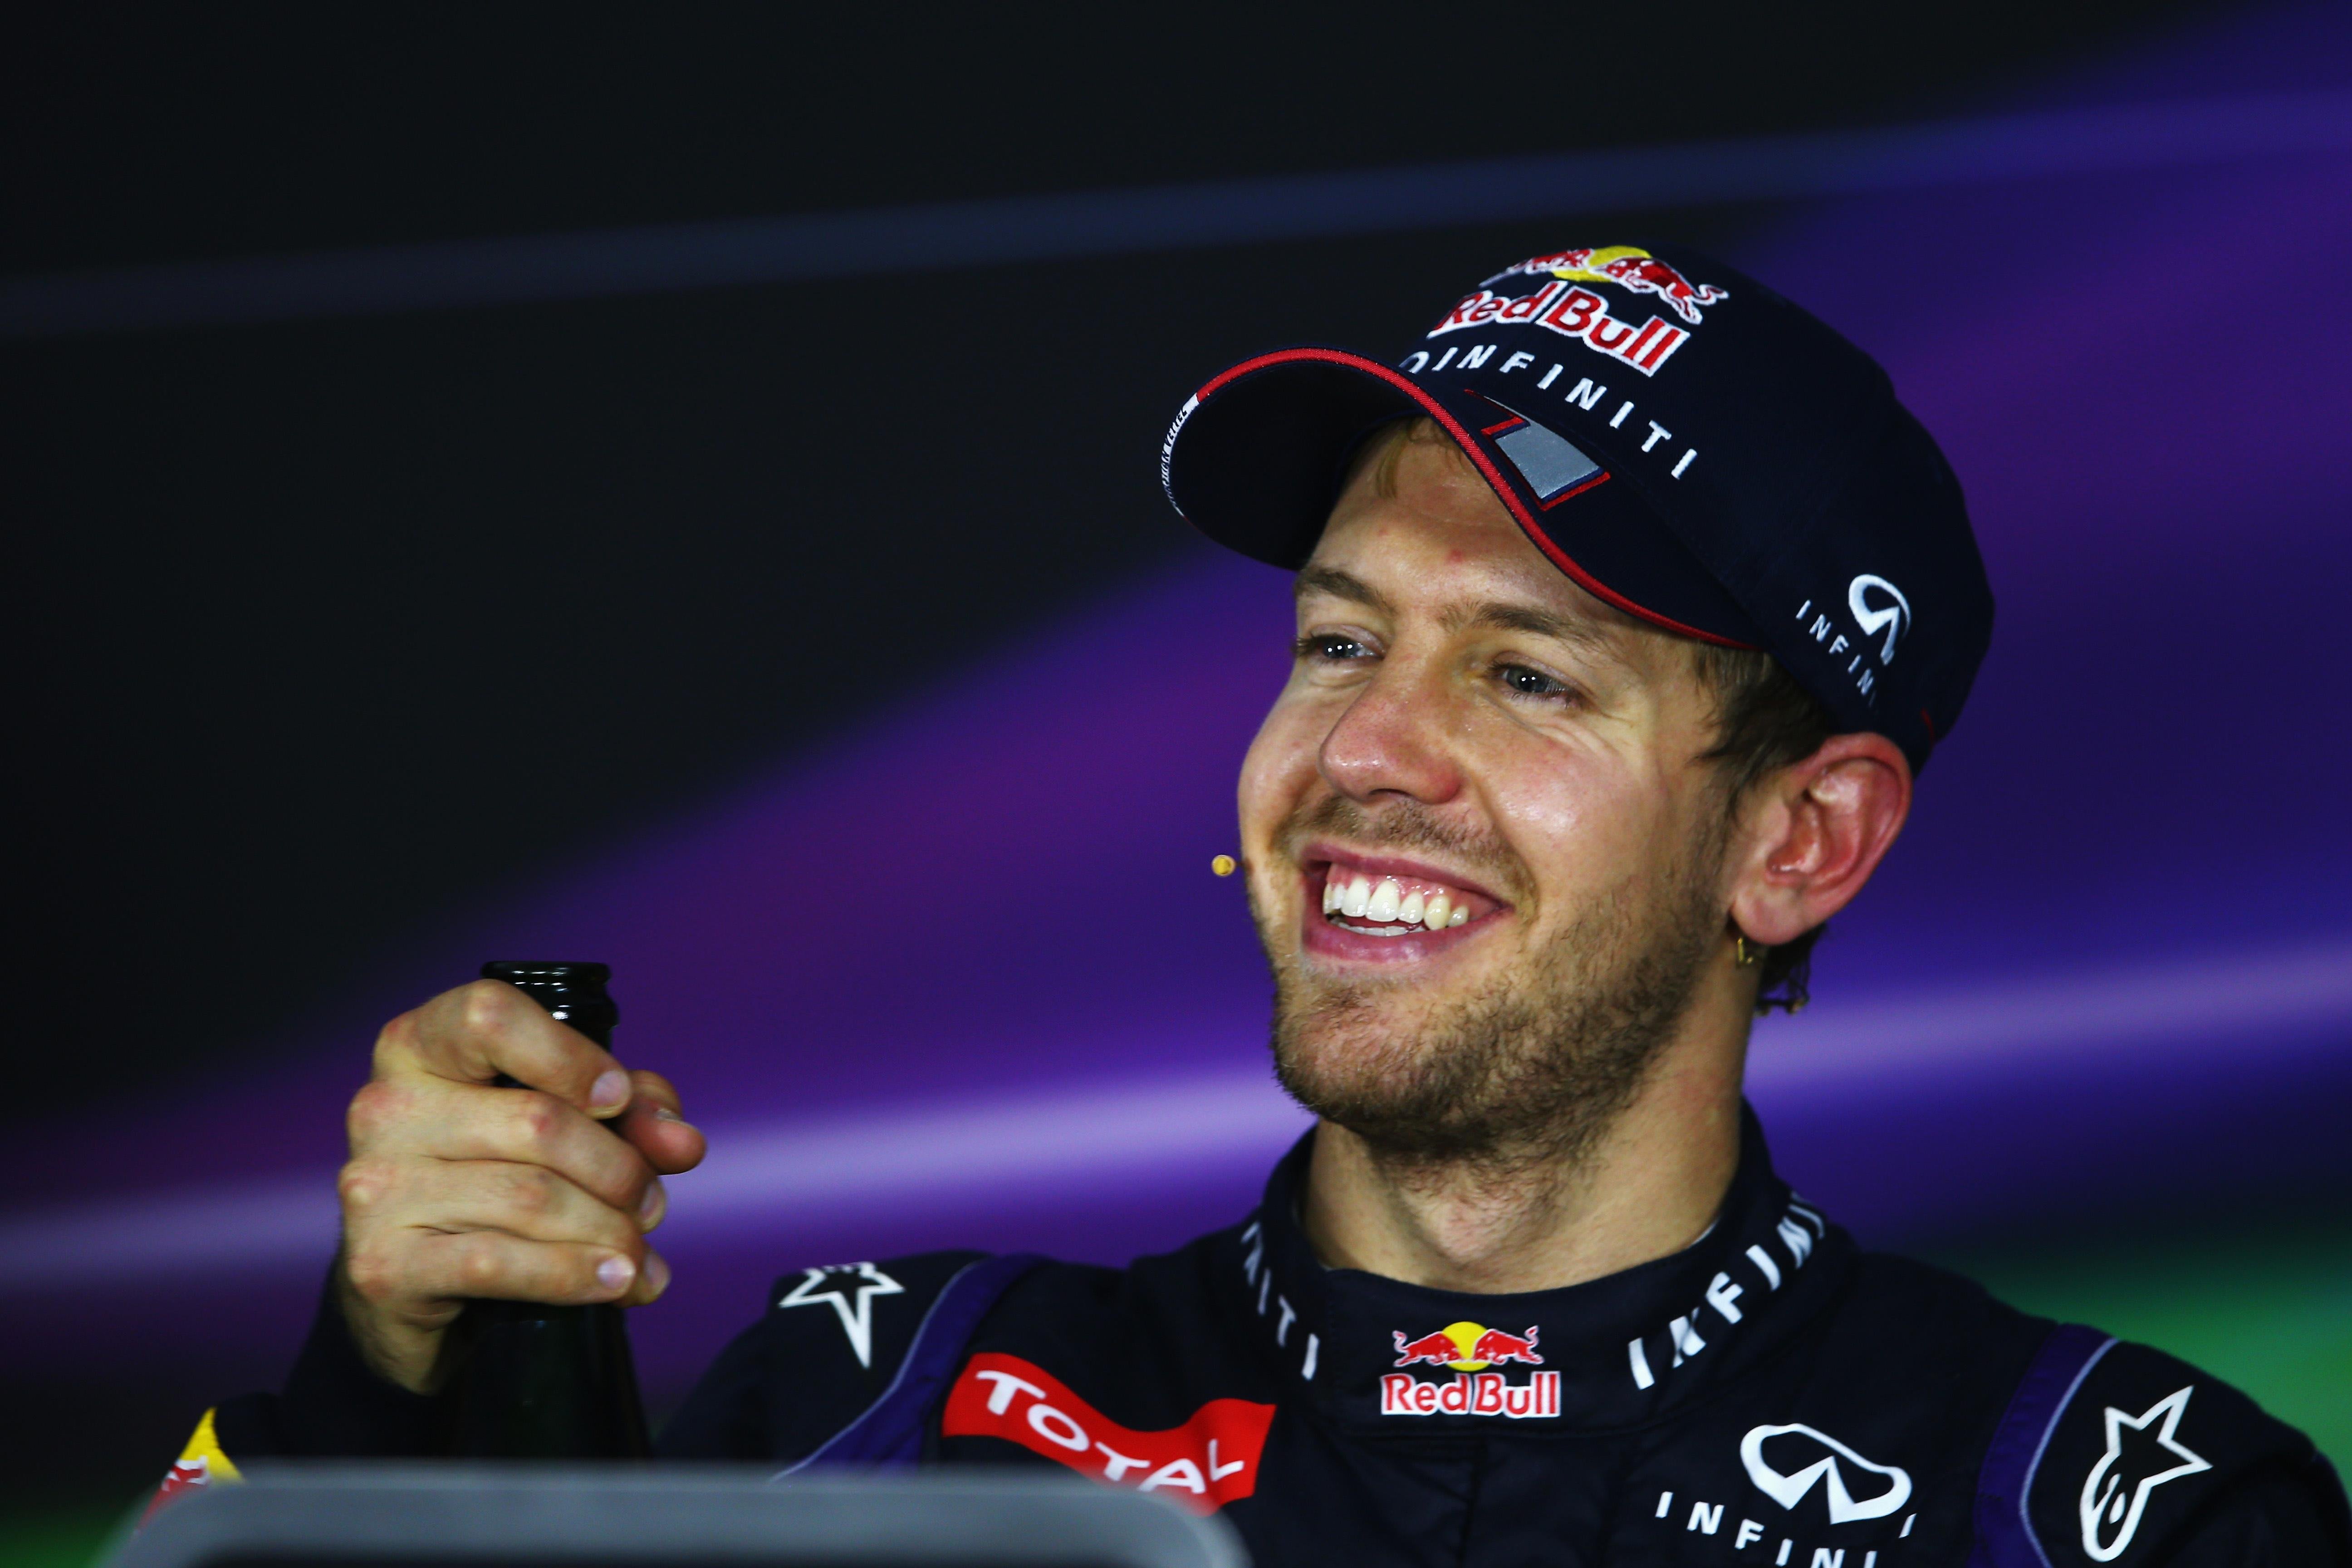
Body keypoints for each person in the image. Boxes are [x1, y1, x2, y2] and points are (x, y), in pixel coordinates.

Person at [163, 243, 2347, 1565]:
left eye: (1525, 674)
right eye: (1335, 638)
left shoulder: (2102, 1511)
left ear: (1801, 843)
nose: (1364, 750)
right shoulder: (888, 1400)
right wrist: (379, 1388)